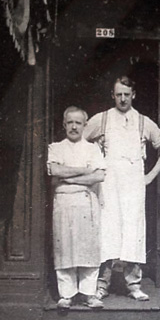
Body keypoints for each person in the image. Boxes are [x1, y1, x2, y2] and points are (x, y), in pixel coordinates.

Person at [84, 76, 160, 301]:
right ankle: (102, 284)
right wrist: (94, 167)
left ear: (134, 94)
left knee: (133, 232)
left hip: (133, 184)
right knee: (108, 231)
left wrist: (150, 176)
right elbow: (80, 144)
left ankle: (133, 284)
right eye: (118, 94)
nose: (122, 99)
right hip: (109, 183)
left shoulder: (144, 122)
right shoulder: (101, 119)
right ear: (112, 95)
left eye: (127, 94)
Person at [47, 106, 107, 309]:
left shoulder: (92, 149)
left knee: (88, 247)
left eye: (78, 123)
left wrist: (67, 178)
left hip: (86, 203)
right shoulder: (55, 147)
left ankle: (88, 293)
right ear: (64, 125)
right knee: (65, 246)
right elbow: (55, 169)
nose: (74, 126)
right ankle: (67, 294)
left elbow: (99, 176)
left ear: (84, 125)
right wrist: (83, 171)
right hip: (64, 204)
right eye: (70, 122)